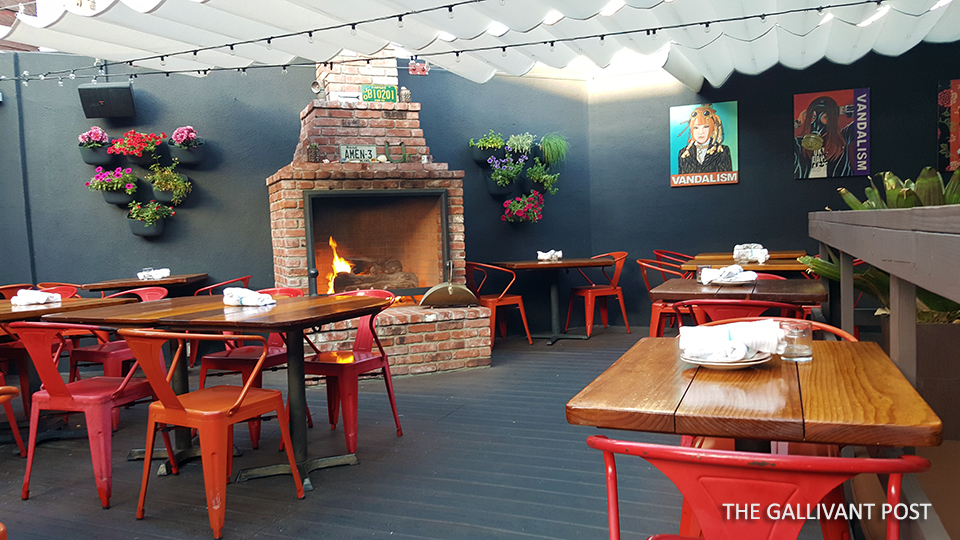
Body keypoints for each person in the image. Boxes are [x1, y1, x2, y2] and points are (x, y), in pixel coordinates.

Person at [794, 95, 854, 178]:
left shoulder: (841, 140)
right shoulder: (799, 144)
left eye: (825, 117)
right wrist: (797, 122)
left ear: (832, 120)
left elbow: (864, 119)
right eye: (813, 117)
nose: (817, 123)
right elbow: (777, 139)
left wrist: (841, 110)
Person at [677, 104, 733, 174]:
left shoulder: (722, 151)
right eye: (696, 127)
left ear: (713, 127)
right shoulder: (683, 153)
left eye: (706, 127)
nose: (700, 132)